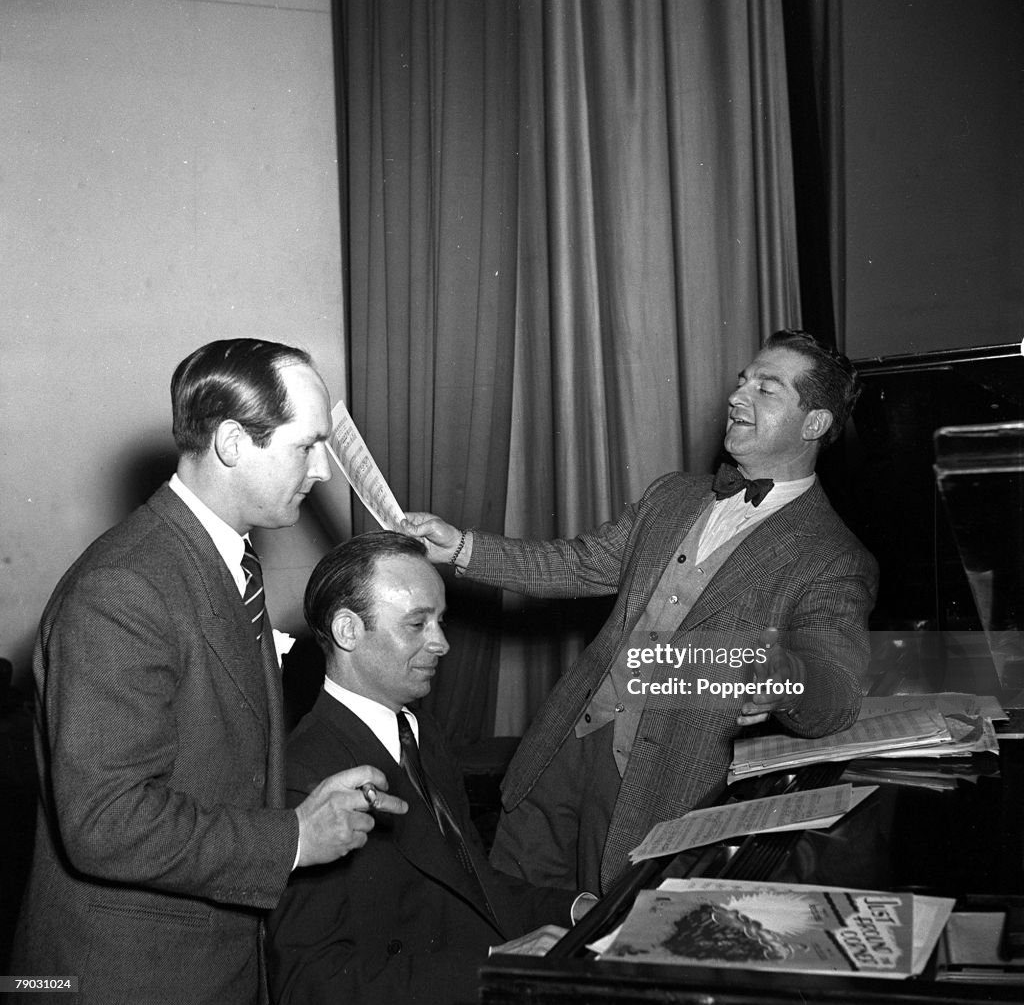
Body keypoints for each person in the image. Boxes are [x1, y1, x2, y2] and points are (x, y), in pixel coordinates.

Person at [405, 330, 879, 895]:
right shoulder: (673, 495)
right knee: (514, 920)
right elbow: (578, 564)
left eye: (766, 389)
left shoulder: (832, 556)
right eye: (742, 381)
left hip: (660, 787)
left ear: (815, 424)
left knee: (605, 938)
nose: (737, 397)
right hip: (563, 748)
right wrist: (460, 546)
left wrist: (783, 681)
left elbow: (836, 690)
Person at [12, 340, 407, 1004]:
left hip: (200, 961)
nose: (320, 473)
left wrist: (305, 802)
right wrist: (294, 837)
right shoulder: (124, 587)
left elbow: (200, 767)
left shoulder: (220, 561)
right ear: (230, 442)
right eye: (305, 446)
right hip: (120, 978)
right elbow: (106, 822)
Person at [267, 531, 584, 1005]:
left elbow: (472, 885)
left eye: (439, 621)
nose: (441, 644)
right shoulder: (307, 774)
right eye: (417, 624)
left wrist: (579, 910)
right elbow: (311, 985)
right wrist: (494, 966)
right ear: (348, 631)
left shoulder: (419, 732)